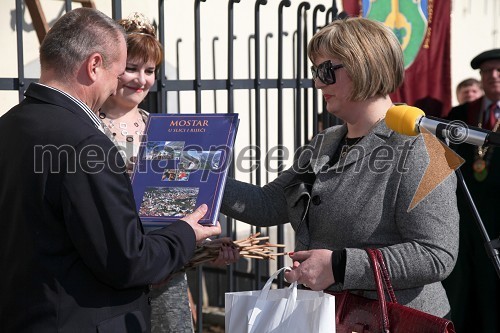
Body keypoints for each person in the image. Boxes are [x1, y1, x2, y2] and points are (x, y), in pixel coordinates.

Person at [0, 8, 225, 332]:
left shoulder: (9, 125)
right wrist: (186, 233)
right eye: (119, 72)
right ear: (94, 66)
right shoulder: (87, 144)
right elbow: (127, 261)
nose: (121, 83)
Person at [221, 17, 459, 318]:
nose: (317, 82)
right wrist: (200, 179)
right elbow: (269, 203)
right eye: (315, 71)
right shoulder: (326, 141)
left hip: (397, 320)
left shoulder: (423, 147)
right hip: (333, 318)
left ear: (364, 66)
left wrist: (339, 266)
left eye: (325, 71)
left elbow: (436, 255)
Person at [100, 13, 238, 333]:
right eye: (132, 69)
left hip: (167, 278)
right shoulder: (90, 127)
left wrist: (205, 248)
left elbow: (171, 208)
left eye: (149, 71)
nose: (141, 80)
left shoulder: (161, 129)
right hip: (112, 278)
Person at [444, 49, 500, 332]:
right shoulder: (461, 115)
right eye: (487, 71)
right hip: (466, 212)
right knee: (463, 282)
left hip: (499, 213)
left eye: (498, 70)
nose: (493, 76)